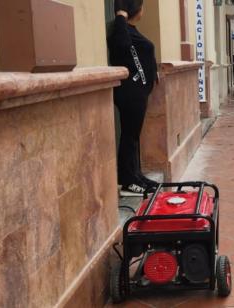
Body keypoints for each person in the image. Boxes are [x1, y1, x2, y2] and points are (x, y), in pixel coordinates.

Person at [108, 0, 158, 196]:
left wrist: (153, 71)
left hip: (138, 93)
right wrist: (121, 14)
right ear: (136, 10)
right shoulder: (122, 31)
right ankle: (127, 180)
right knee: (129, 136)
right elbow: (121, 46)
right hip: (130, 94)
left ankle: (135, 174)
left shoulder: (132, 31)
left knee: (133, 137)